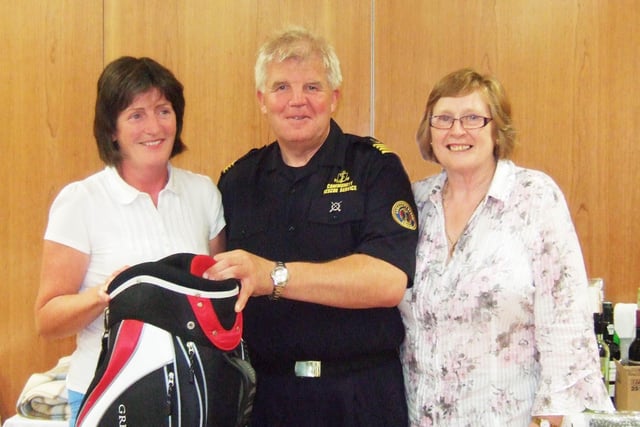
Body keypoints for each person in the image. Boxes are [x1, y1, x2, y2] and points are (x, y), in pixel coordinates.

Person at [204, 27, 418, 426]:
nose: (297, 101)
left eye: (312, 87)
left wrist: (275, 276)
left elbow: (388, 280)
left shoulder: (375, 167)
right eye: (281, 87)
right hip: (265, 397)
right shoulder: (236, 180)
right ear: (262, 100)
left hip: (360, 395)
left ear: (334, 97)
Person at [399, 68, 615, 427]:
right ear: (429, 132)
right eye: (444, 119)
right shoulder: (414, 204)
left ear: (497, 130)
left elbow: (565, 323)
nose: (457, 130)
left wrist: (553, 416)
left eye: (473, 118)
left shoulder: (534, 197)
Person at [34, 56, 226, 426]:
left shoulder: (203, 193)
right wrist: (103, 294)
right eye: (136, 115)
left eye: (163, 110)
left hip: (192, 394)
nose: (153, 127)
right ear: (112, 130)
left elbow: (214, 298)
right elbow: (47, 319)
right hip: (108, 395)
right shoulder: (81, 201)